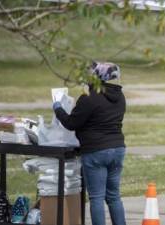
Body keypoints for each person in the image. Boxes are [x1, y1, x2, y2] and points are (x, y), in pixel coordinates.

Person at [53, 62, 126, 225]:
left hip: (96, 151)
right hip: (118, 149)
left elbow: (72, 123)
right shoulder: (120, 97)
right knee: (114, 196)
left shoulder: (90, 98)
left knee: (97, 198)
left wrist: (58, 108)